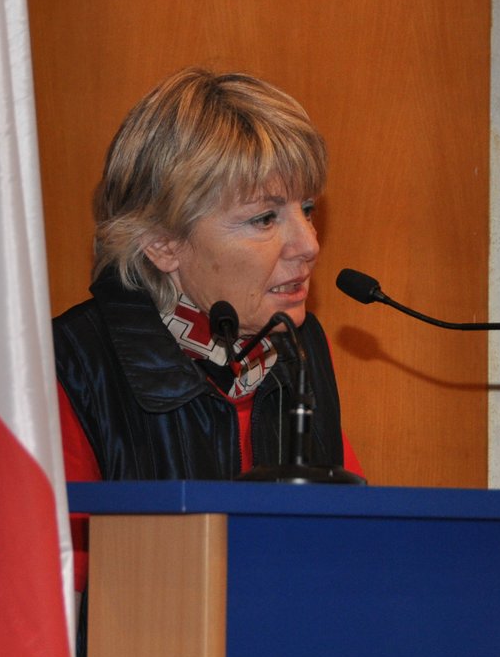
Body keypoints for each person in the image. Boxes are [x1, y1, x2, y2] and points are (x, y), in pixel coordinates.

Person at [53, 67, 361, 510]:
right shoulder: (72, 365)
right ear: (163, 243)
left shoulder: (301, 348)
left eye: (307, 209)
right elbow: (67, 569)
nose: (309, 245)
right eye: (264, 218)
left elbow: (348, 540)